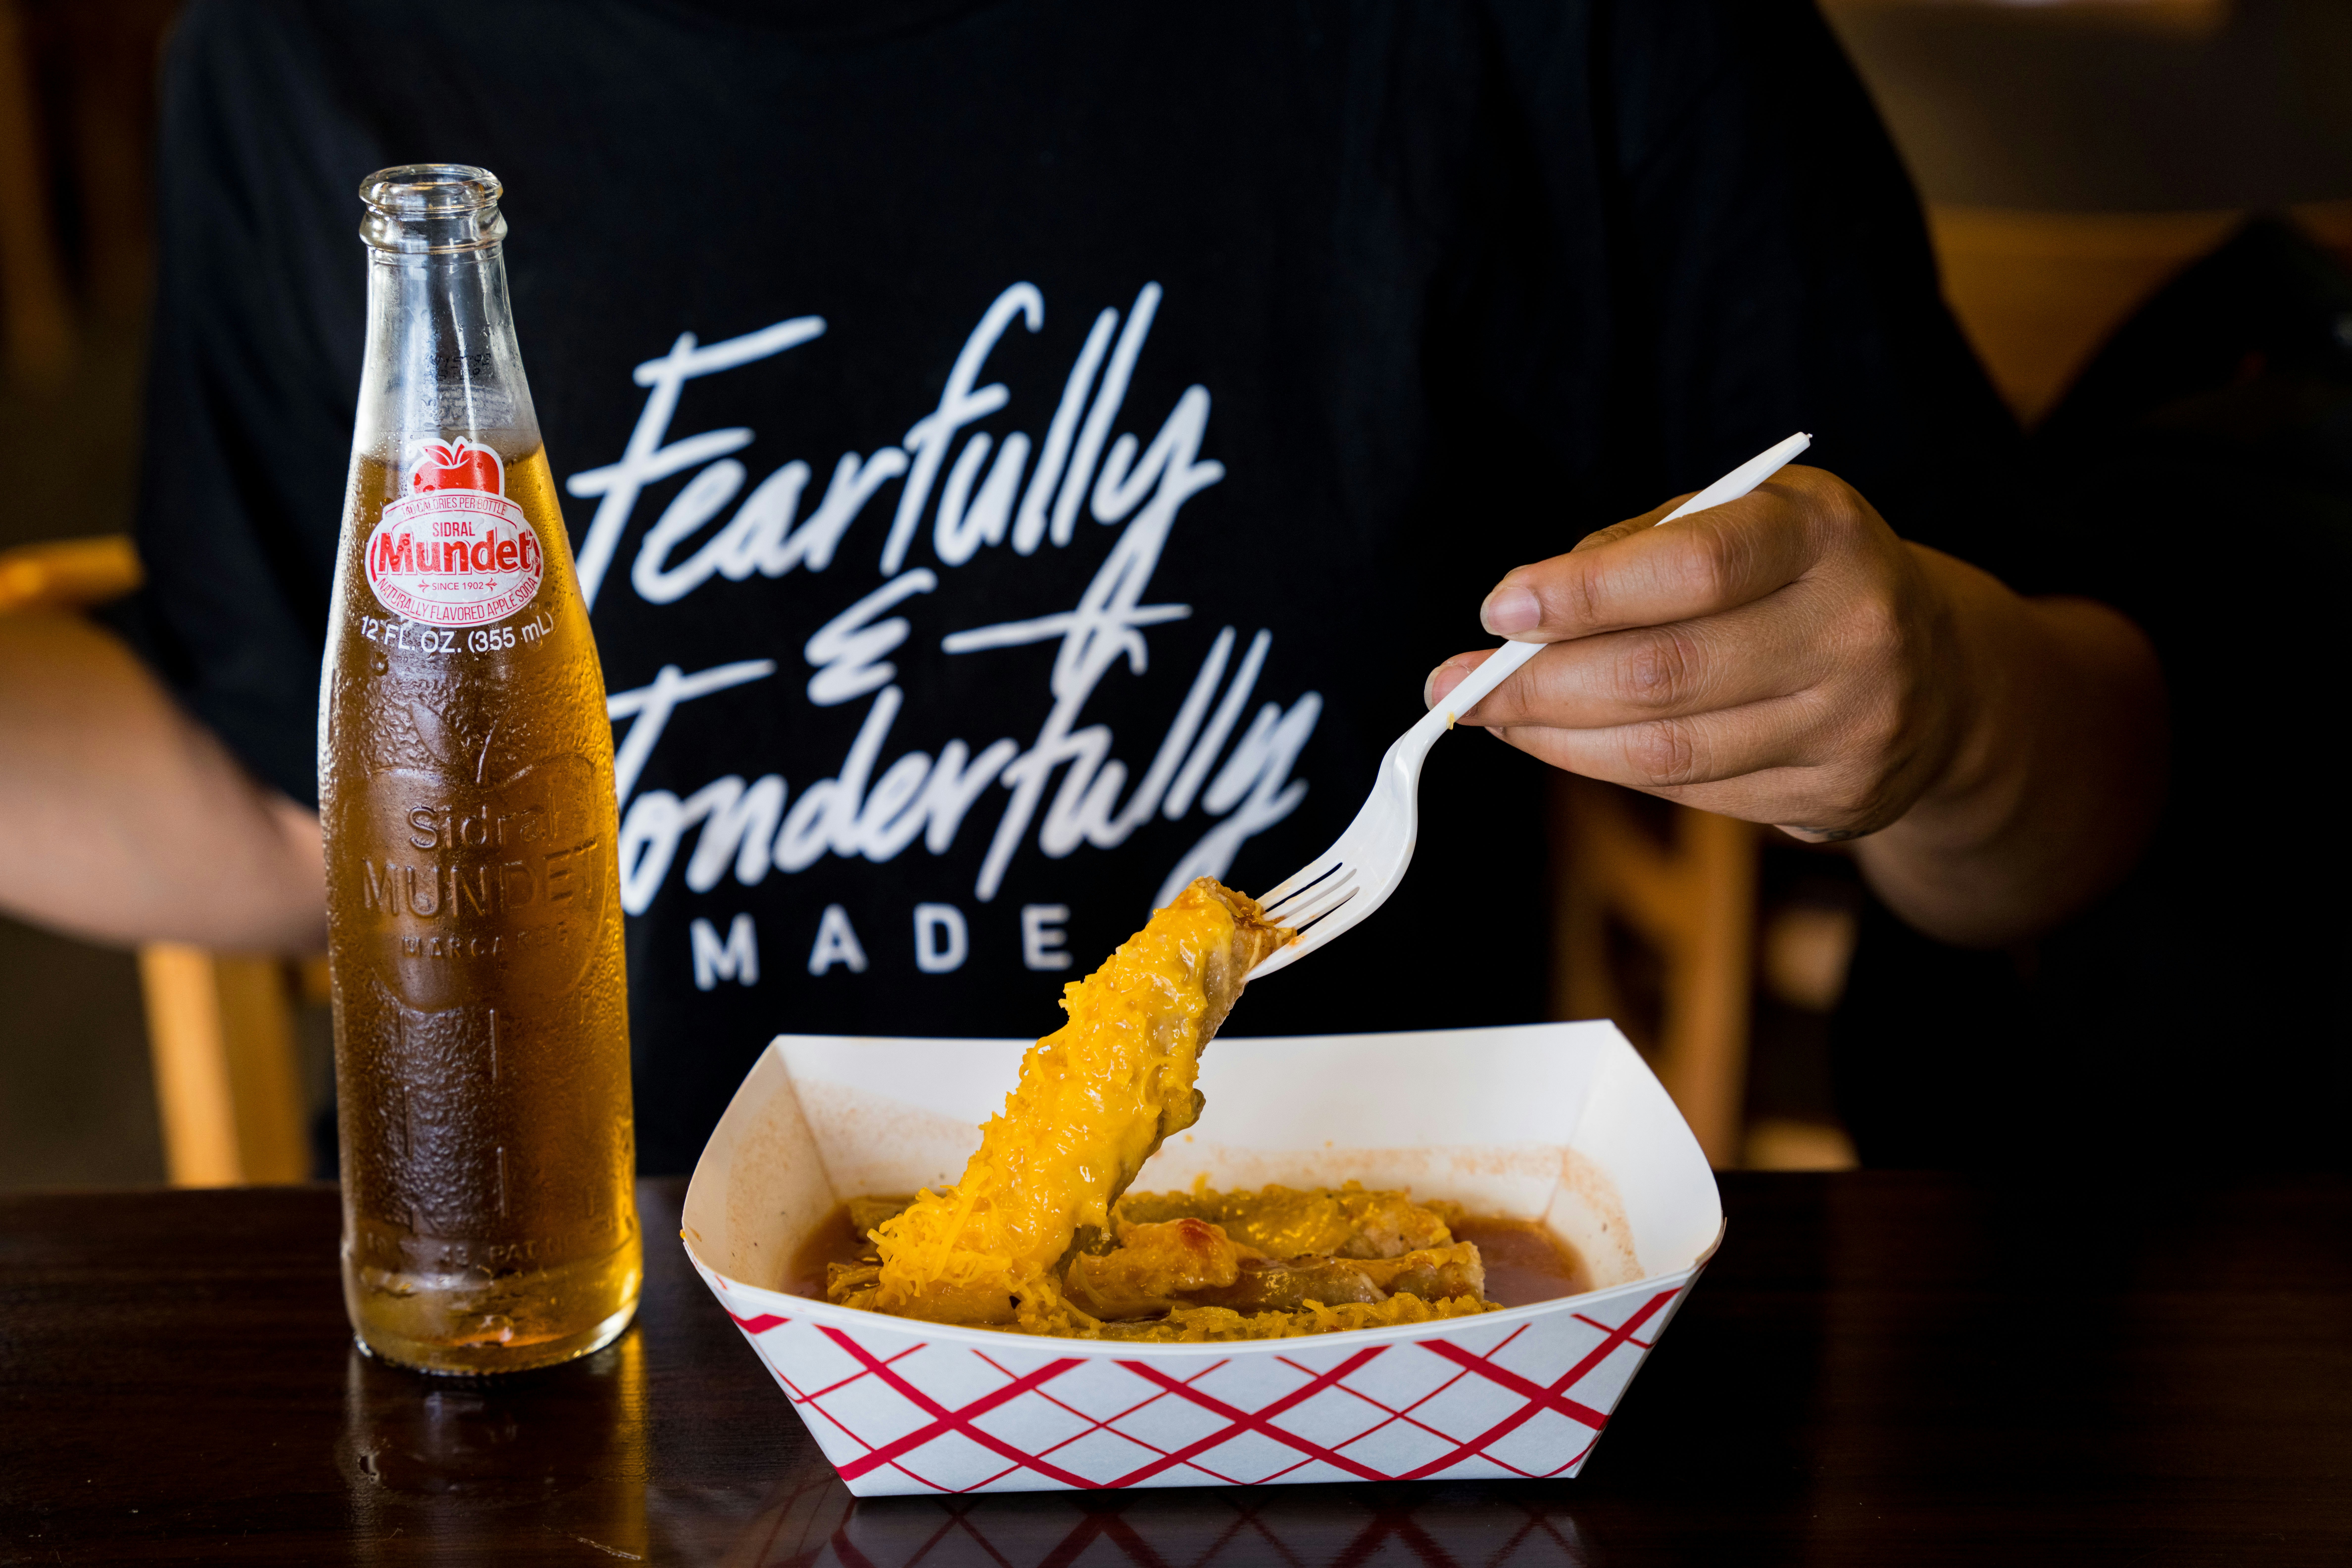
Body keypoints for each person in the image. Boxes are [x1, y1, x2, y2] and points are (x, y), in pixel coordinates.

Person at [0, 0, 2175, 1176]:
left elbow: (2090, 799)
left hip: (1359, 1365)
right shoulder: (316, 57)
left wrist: (1950, 731)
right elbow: (322, 811)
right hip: (635, 1342)